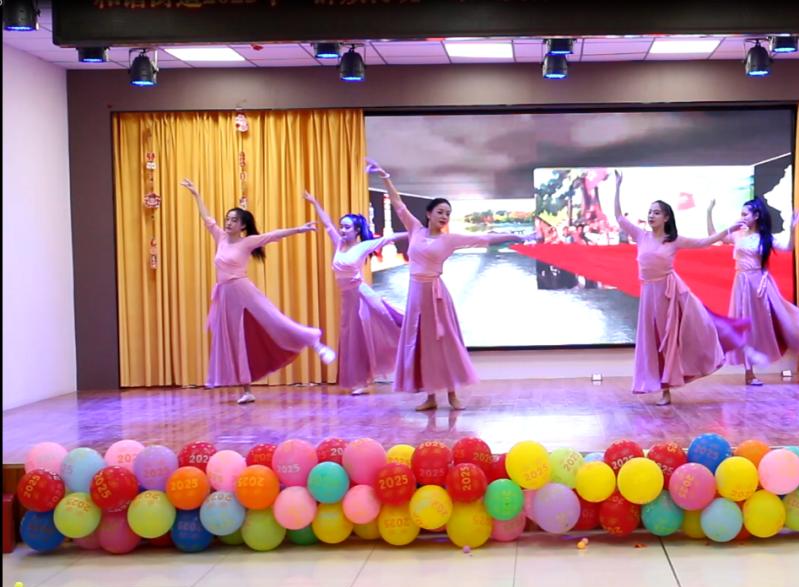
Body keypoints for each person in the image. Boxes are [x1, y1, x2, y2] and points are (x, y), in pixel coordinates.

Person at [367, 160, 536, 411]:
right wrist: (385, 178)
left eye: (447, 213)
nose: (444, 216)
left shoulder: (450, 240)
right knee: (421, 344)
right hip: (416, 294)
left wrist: (518, 236)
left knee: (443, 342)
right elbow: (398, 204)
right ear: (429, 214)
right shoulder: (415, 230)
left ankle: (452, 395)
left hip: (436, 296)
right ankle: (430, 397)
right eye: (440, 212)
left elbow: (485, 238)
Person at [181, 179, 335, 404]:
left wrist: (300, 229)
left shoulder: (248, 242)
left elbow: (274, 235)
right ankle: (247, 390)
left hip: (243, 290)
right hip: (225, 296)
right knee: (236, 340)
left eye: (234, 220)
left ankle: (315, 343)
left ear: (243, 226)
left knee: (275, 320)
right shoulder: (220, 237)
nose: (228, 222)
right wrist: (196, 194)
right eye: (228, 218)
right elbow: (207, 219)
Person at [614, 171, 757, 404]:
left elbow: (705, 242)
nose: (651, 215)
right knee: (653, 340)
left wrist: (728, 230)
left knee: (669, 339)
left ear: (666, 218)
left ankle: (667, 390)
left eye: (656, 212)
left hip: (670, 295)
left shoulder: (674, 240)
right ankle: (658, 385)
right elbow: (619, 217)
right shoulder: (641, 235)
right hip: (649, 295)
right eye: (650, 212)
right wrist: (618, 186)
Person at [709, 197, 799, 385]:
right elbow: (714, 236)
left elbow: (788, 247)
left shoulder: (765, 238)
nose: (742, 217)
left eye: (745, 214)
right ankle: (749, 373)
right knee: (744, 326)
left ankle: (796, 336)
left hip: (759, 285)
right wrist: (709, 211)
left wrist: (792, 229)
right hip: (742, 283)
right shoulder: (738, 234)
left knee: (768, 322)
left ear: (756, 216)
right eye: (741, 214)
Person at [305, 190, 407, 395]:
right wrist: (314, 202)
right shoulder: (339, 244)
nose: (342, 230)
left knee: (386, 324)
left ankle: (415, 338)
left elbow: (390, 238)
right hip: (347, 299)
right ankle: (361, 380)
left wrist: (415, 231)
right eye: (341, 226)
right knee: (351, 339)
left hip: (361, 296)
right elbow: (327, 224)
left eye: (346, 227)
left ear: (357, 230)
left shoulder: (364, 246)